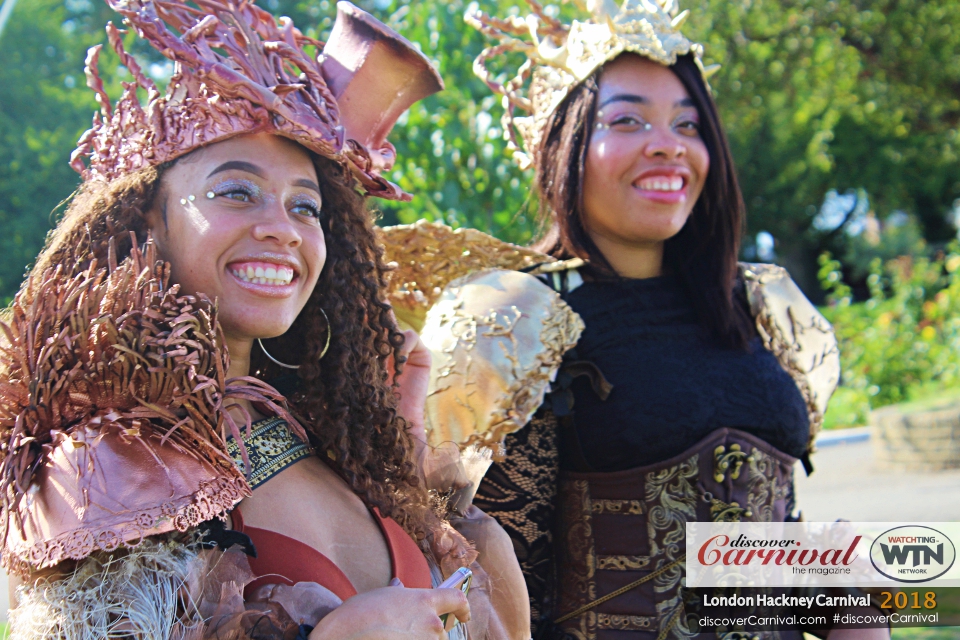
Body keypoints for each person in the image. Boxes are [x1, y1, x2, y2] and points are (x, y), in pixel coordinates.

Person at [0, 1, 528, 638]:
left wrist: (407, 458)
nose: (281, 229)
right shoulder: (101, 468)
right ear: (148, 222)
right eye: (236, 191)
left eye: (306, 207)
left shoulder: (325, 433)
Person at [377, 1, 889, 639]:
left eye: (689, 124)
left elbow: (748, 564)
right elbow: (465, 574)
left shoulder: (761, 304)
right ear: (559, 146)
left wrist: (855, 608)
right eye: (627, 120)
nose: (668, 146)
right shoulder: (510, 320)